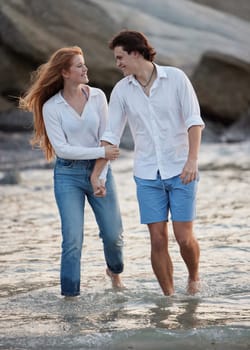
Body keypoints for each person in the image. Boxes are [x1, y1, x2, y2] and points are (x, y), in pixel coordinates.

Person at [91, 30, 205, 296]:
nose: (117, 63)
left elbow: (193, 121)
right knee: (157, 239)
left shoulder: (175, 78)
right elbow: (111, 136)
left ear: (136, 52)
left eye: (120, 57)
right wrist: (98, 173)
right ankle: (169, 298)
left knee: (184, 238)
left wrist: (192, 161)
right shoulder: (121, 90)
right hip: (146, 174)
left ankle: (194, 276)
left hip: (180, 169)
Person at [19, 46, 124, 297]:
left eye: (84, 64)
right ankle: (70, 299)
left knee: (113, 236)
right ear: (65, 72)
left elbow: (106, 138)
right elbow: (64, 151)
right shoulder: (51, 107)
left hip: (101, 171)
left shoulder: (98, 96)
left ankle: (114, 271)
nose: (85, 69)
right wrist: (100, 154)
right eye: (79, 65)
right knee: (72, 240)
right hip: (68, 176)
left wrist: (98, 173)